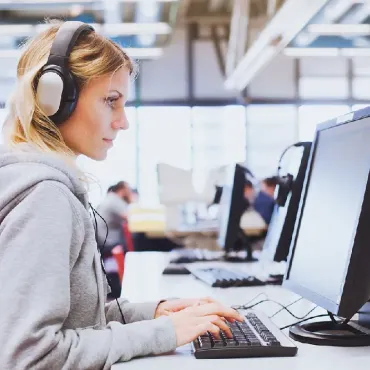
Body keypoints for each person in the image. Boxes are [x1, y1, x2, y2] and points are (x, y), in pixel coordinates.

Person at [0, 20, 243, 369]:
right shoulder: (44, 197)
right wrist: (165, 333)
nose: (123, 121)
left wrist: (157, 313)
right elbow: (30, 355)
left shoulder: (43, 186)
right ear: (55, 99)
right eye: (111, 101)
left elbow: (81, 320)